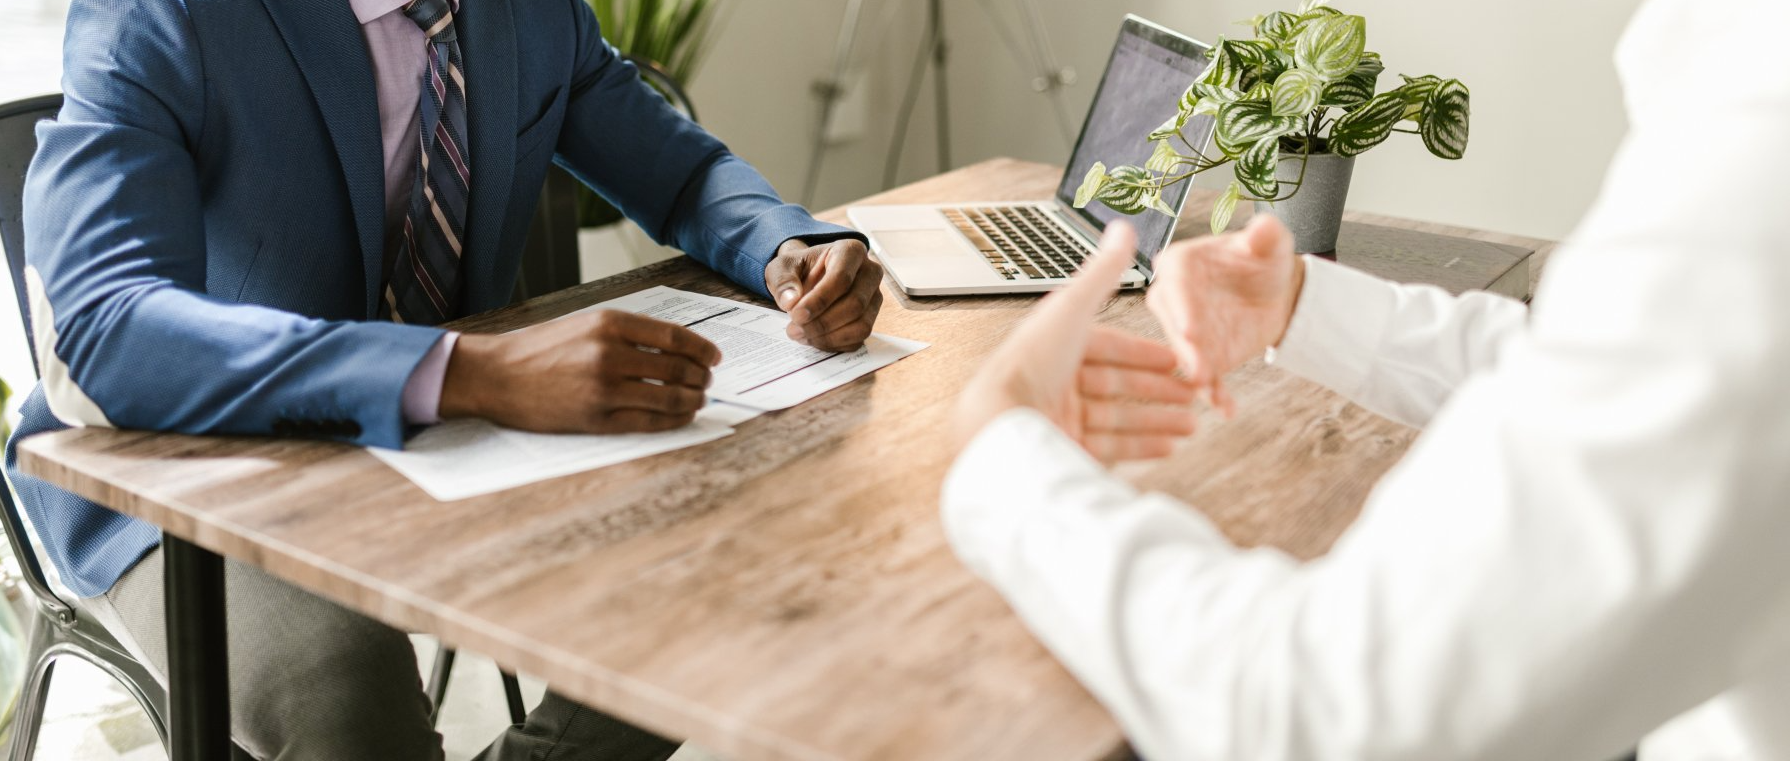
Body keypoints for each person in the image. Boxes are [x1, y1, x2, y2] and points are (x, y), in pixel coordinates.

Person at [5, 0, 883, 757]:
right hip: (190, 465)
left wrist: (782, 245)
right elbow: (104, 329)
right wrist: (468, 371)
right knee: (350, 706)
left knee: (735, 570)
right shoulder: (160, 14)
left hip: (455, 437)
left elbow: (680, 170)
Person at [943, 0, 1790, 758]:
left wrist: (1001, 451)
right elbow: (1604, 365)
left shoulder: (1760, 158)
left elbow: (1321, 716)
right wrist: (1305, 307)